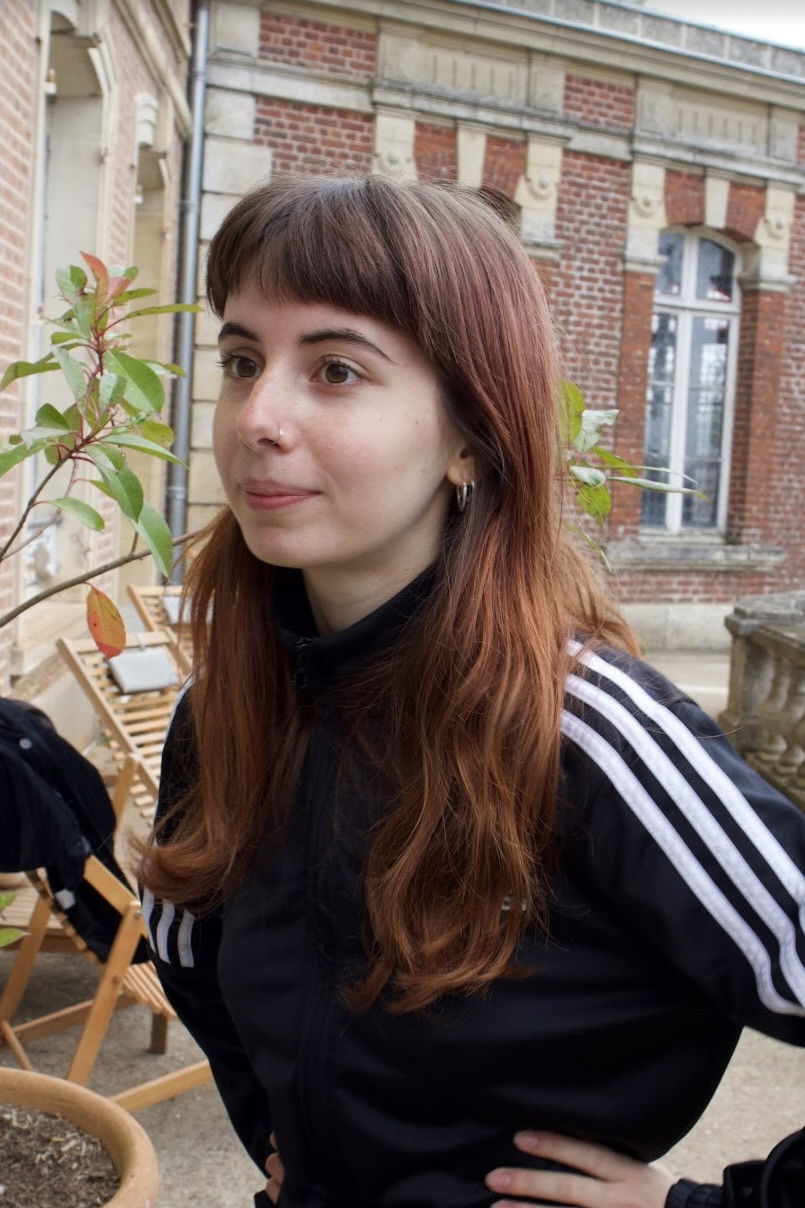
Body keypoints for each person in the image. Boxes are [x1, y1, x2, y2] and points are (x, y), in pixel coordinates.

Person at [138, 174, 804, 1208]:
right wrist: (286, 1131)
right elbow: (186, 951)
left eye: (335, 368)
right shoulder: (220, 713)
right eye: (239, 360)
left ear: (467, 433)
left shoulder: (588, 732)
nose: (257, 415)